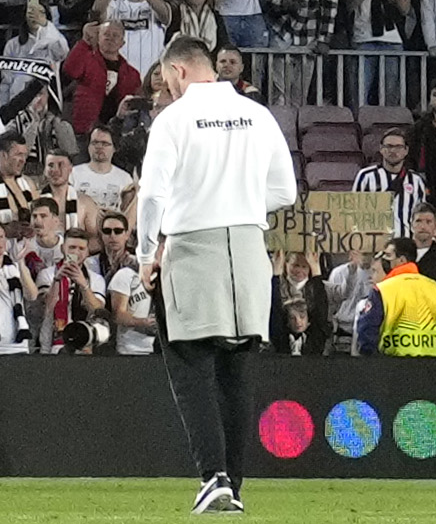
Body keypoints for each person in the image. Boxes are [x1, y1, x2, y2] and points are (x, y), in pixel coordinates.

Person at [136, 34, 295, 513]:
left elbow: (151, 196)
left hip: (192, 248)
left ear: (179, 70)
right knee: (238, 371)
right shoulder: (257, 114)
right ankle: (236, 485)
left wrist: (146, 254)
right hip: (249, 250)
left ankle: (213, 477)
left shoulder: (174, 119)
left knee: (192, 368)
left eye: (165, 78)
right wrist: (241, 205)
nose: (165, 88)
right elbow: (285, 191)